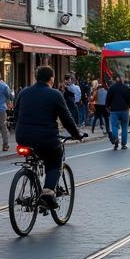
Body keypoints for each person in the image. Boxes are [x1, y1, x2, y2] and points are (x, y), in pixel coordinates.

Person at [13, 65, 84, 209]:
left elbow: (16, 113)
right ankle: (48, 192)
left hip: (22, 137)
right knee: (55, 160)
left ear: (36, 78)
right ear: (51, 79)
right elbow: (66, 118)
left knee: (36, 155)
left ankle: (32, 181)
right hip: (46, 138)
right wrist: (77, 134)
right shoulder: (55, 94)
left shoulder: (23, 93)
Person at [108, 74, 130, 150]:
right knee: (124, 127)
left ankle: (115, 142)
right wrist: (129, 106)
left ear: (115, 79)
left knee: (114, 126)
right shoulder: (126, 88)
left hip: (114, 110)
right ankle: (123, 144)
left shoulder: (111, 88)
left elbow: (108, 99)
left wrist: (108, 106)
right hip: (125, 110)